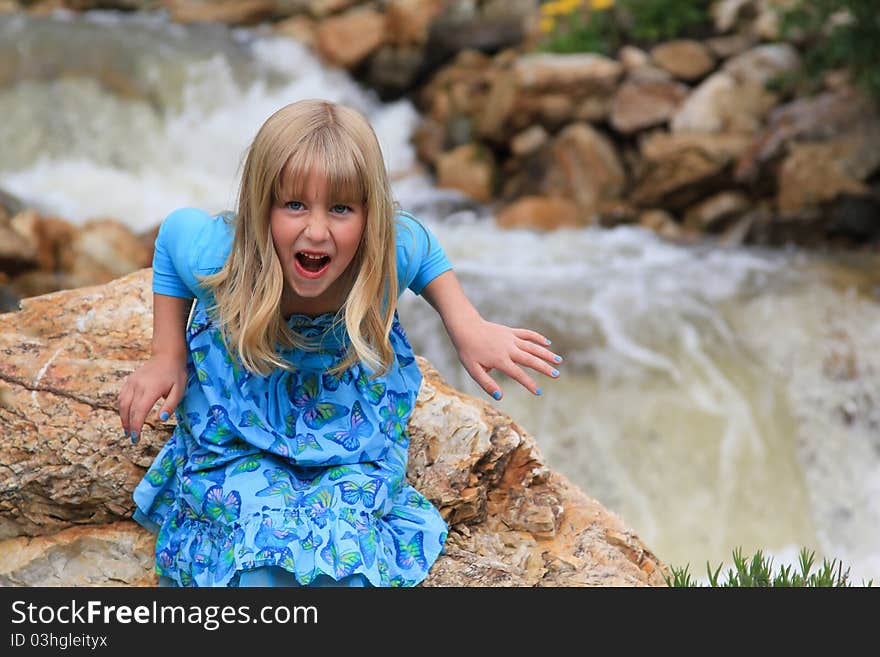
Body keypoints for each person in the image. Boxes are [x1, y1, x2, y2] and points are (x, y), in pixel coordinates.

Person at [118, 99, 563, 587]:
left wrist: (467, 324)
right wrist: (167, 356)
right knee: (256, 551)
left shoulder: (388, 254)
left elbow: (423, 246)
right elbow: (172, 233)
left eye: (341, 208)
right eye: (293, 205)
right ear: (258, 207)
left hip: (343, 416)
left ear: (371, 217)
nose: (316, 229)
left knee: (348, 558)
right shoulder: (221, 258)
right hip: (242, 413)